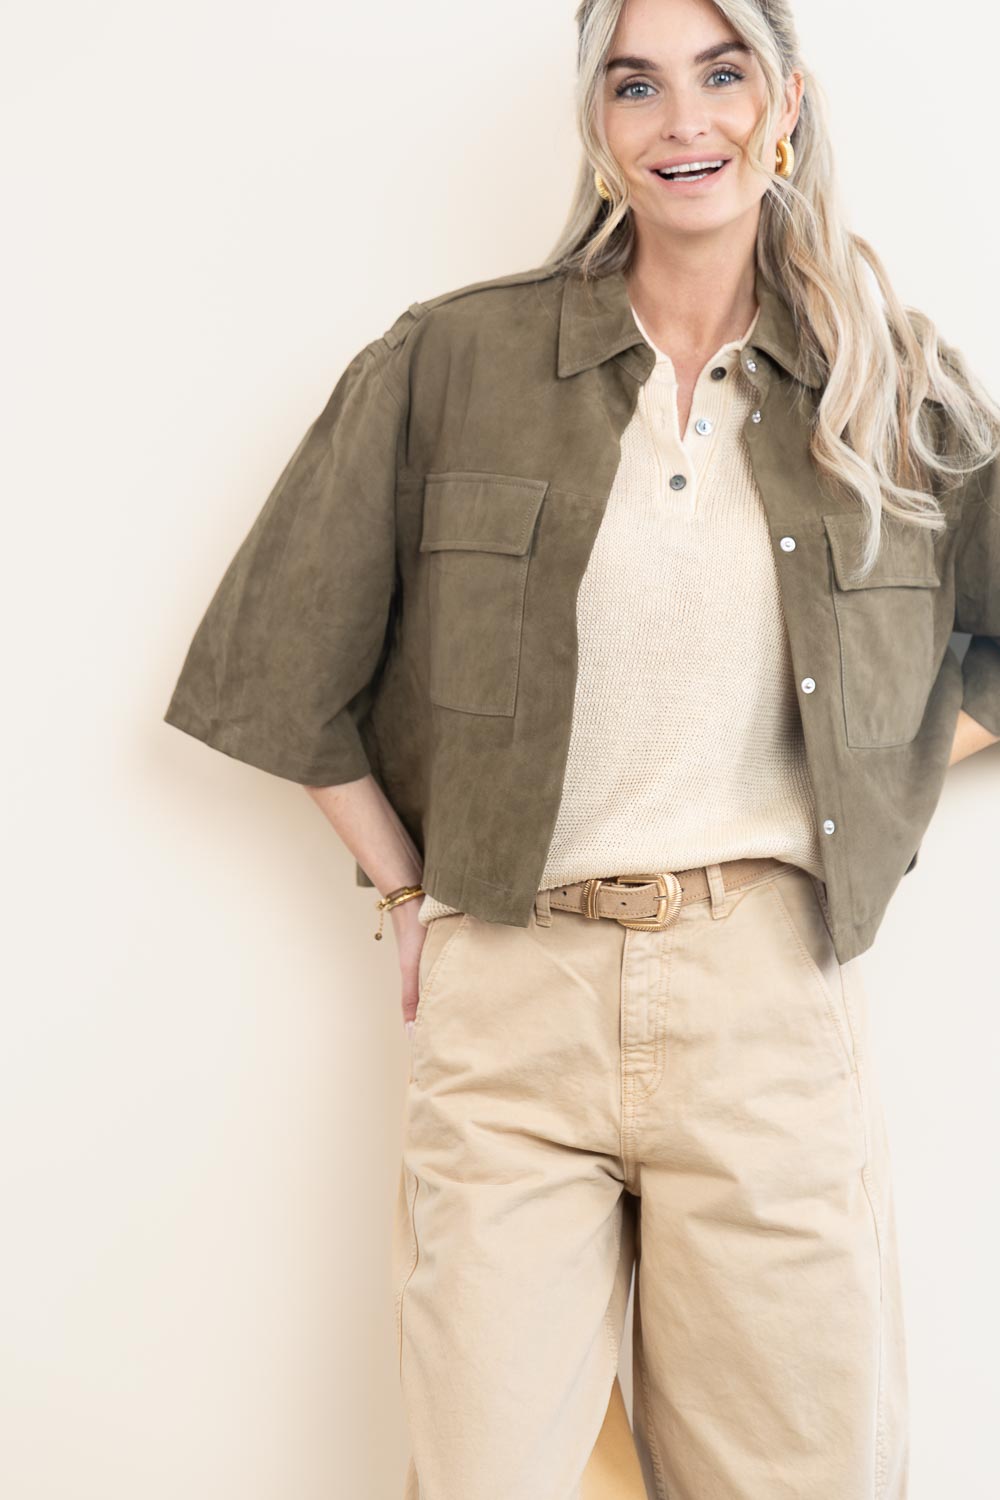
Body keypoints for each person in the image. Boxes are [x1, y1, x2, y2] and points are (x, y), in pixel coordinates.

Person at [163, 0, 1000, 1495]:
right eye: (636, 85)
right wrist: (404, 892)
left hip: (767, 997)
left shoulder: (888, 377)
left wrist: (876, 755)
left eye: (722, 74)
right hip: (511, 993)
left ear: (786, 103)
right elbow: (281, 664)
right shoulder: (452, 360)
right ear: (599, 126)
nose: (685, 120)